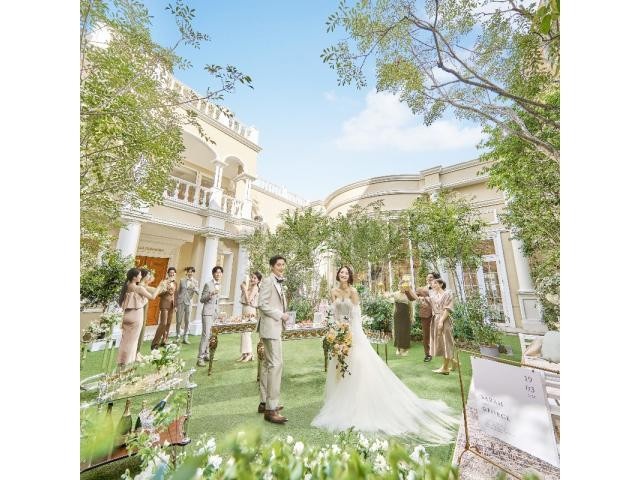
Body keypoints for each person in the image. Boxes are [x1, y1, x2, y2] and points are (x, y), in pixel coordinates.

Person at [311, 266, 458, 444]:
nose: (343, 275)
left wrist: (349, 332)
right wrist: (336, 329)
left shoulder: (353, 291)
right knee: (340, 367)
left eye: (346, 273)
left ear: (349, 276)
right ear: (338, 275)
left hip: (353, 334)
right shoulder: (333, 291)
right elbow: (334, 313)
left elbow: (356, 313)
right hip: (338, 334)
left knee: (357, 367)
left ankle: (359, 403)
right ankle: (339, 402)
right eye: (341, 272)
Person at [257, 256, 288, 424]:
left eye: (283, 264)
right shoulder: (268, 281)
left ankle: (264, 403)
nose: (281, 267)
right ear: (271, 266)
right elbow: (262, 304)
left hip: (273, 328)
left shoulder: (278, 282)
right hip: (270, 328)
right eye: (278, 265)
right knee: (276, 365)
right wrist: (280, 315)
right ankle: (271, 409)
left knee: (267, 365)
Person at [117, 268, 162, 367]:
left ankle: (121, 361)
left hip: (126, 316)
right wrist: (159, 286)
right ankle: (127, 362)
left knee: (125, 340)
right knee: (133, 341)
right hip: (136, 316)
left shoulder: (127, 286)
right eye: (139, 275)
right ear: (134, 277)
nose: (141, 277)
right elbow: (152, 297)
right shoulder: (139, 288)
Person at [405, 272, 441, 362]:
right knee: (426, 335)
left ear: (435, 279)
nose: (429, 279)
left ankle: (441, 351)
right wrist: (407, 289)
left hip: (438, 314)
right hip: (426, 314)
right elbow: (411, 298)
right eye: (427, 277)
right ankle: (428, 354)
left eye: (431, 277)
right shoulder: (421, 289)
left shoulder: (439, 288)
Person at [428, 278, 457, 375]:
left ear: (441, 284)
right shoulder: (433, 296)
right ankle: (454, 363)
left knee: (446, 342)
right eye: (432, 284)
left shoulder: (448, 294)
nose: (433, 285)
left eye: (435, 283)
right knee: (441, 342)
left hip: (444, 320)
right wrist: (409, 290)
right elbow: (421, 300)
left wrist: (441, 321)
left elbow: (448, 309)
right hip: (436, 320)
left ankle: (445, 368)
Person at [197, 266, 223, 367]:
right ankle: (200, 358)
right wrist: (210, 294)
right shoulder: (208, 284)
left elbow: (217, 302)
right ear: (213, 274)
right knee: (206, 335)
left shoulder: (220, 285)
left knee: (212, 336)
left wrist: (219, 313)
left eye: (220, 272)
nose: (218, 274)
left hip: (215, 314)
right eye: (216, 272)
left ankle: (207, 355)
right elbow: (202, 299)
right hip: (207, 313)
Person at [238, 271, 262, 362]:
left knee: (247, 332)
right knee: (243, 331)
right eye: (252, 277)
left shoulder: (255, 288)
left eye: (255, 278)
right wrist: (243, 288)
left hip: (250, 310)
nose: (252, 279)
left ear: (258, 280)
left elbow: (248, 300)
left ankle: (250, 354)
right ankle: (244, 354)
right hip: (245, 309)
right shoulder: (250, 287)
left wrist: (244, 290)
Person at [151, 267, 177, 350]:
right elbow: (159, 293)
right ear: (168, 273)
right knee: (163, 323)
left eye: (173, 273)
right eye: (170, 272)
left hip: (172, 305)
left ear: (175, 274)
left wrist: (175, 306)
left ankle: (164, 341)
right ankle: (155, 343)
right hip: (164, 304)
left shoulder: (175, 283)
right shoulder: (163, 282)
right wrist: (166, 290)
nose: (172, 274)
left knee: (168, 323)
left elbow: (175, 294)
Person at [135, 268, 155, 359]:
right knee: (139, 330)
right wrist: (161, 286)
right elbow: (153, 294)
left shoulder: (144, 285)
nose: (150, 276)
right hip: (140, 310)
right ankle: (135, 352)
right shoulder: (141, 286)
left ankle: (138, 351)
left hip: (144, 310)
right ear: (144, 276)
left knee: (142, 330)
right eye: (148, 275)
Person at [175, 267, 199, 345]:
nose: (190, 273)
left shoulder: (195, 282)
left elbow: (198, 293)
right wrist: (176, 303)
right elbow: (178, 292)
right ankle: (177, 336)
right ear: (187, 272)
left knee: (187, 321)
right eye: (189, 272)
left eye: (191, 272)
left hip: (189, 303)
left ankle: (185, 337)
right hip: (180, 302)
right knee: (178, 320)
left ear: (193, 273)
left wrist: (195, 288)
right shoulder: (182, 280)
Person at [393, 275, 414, 356]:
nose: (400, 287)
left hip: (406, 316)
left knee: (405, 332)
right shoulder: (395, 294)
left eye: (402, 286)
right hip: (397, 316)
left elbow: (411, 307)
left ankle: (405, 349)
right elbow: (394, 305)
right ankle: (398, 348)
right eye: (399, 286)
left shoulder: (408, 295)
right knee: (397, 332)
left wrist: (412, 316)